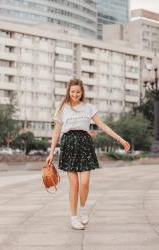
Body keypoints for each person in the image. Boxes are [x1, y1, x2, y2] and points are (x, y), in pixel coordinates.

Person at [46, 79, 130, 230]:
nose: (75, 94)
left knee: (84, 183)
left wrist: (120, 139)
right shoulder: (62, 108)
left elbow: (102, 125)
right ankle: (73, 218)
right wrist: (51, 153)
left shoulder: (89, 107)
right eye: (72, 92)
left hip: (85, 144)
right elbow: (56, 132)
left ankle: (83, 210)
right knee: (74, 185)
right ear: (68, 91)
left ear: (82, 92)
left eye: (78, 92)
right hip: (68, 145)